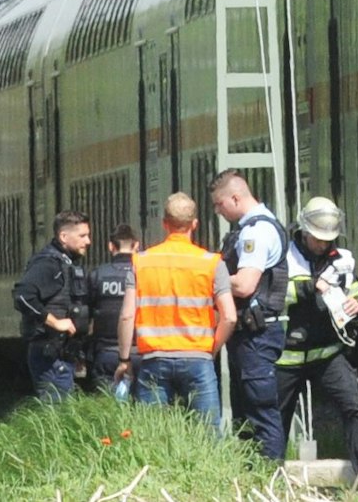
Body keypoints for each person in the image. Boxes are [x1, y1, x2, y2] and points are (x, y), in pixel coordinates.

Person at [277, 197, 358, 476]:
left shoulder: (344, 260)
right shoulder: (283, 257)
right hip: (286, 357)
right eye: (318, 239)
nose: (323, 244)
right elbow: (273, 296)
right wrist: (310, 287)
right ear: (304, 231)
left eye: (328, 239)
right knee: (277, 419)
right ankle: (266, 475)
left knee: (353, 408)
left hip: (328, 354)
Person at [114, 193, 235, 430]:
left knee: (153, 435)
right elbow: (229, 317)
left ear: (164, 223)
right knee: (207, 434)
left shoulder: (141, 262)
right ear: (195, 224)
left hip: (154, 359)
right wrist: (211, 349)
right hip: (198, 359)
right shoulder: (211, 263)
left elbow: (127, 315)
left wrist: (125, 359)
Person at [210, 168, 289, 460]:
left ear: (235, 197)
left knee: (260, 412)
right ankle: (251, 475)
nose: (218, 211)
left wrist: (209, 278)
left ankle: (269, 474)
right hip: (251, 335)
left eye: (219, 204)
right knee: (246, 415)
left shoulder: (256, 232)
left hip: (257, 336)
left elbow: (244, 285)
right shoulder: (251, 229)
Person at [13, 210, 93, 403]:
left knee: (61, 412)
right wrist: (55, 322)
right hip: (50, 354)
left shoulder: (66, 263)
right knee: (57, 412)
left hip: (63, 354)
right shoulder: (49, 263)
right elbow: (22, 296)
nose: (88, 241)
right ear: (63, 237)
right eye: (82, 236)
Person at [88, 223, 140, 399]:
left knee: (106, 407)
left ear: (111, 246)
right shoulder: (144, 274)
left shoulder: (97, 275)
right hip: (141, 354)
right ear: (136, 245)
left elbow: (87, 315)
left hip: (106, 354)